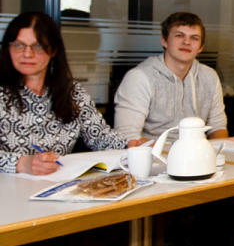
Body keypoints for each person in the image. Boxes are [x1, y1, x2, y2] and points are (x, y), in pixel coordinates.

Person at [0, 12, 141, 174]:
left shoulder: (72, 92)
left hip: (58, 185)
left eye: (38, 46)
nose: (27, 54)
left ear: (53, 50)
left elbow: (100, 136)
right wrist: (22, 163)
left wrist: (132, 145)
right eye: (18, 45)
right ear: (8, 48)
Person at [113, 11, 228, 140]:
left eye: (194, 38)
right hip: (155, 156)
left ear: (201, 47)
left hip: (197, 153)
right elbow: (127, 137)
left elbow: (218, 127)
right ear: (164, 40)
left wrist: (218, 153)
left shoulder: (209, 77)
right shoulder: (139, 77)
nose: (187, 42)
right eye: (179, 35)